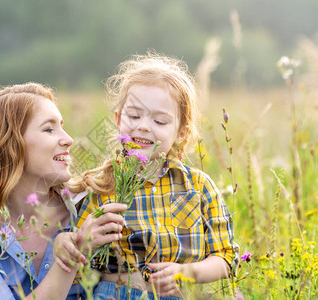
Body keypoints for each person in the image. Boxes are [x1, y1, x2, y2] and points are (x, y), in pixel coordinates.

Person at [0, 83, 126, 299]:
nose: (68, 139)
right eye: (49, 129)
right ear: (9, 145)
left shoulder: (87, 209)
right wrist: (76, 253)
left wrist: (163, 274)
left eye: (62, 126)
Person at [71, 53, 235, 299]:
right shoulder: (100, 186)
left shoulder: (198, 186)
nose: (144, 126)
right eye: (134, 116)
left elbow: (225, 258)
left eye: (159, 120)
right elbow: (77, 264)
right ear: (118, 120)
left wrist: (185, 272)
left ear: (181, 133)